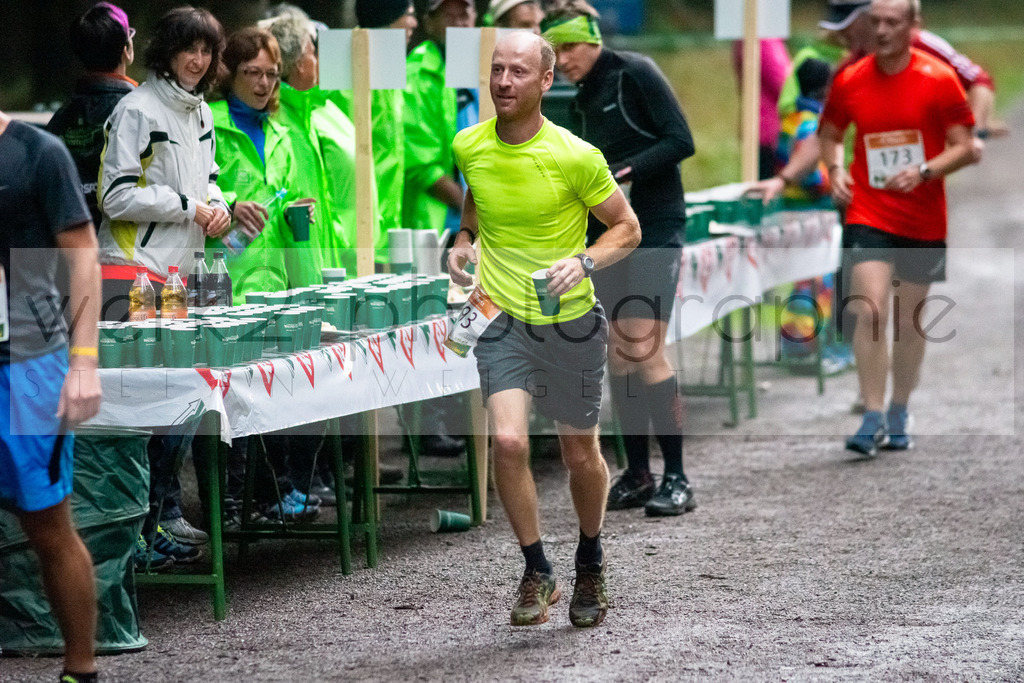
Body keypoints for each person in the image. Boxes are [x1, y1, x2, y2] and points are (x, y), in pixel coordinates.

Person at [449, 32, 641, 627]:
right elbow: (474, 213)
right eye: (497, 70)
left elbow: (626, 228)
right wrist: (460, 245)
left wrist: (583, 260)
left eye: (518, 72)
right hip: (502, 317)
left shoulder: (576, 156)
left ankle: (590, 558)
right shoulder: (469, 145)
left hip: (571, 322)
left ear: (545, 81)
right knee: (507, 442)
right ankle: (537, 568)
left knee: (579, 451)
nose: (504, 82)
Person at [542, 2, 698, 516]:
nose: (562, 61)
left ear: (592, 39)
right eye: (554, 51)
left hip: (654, 224)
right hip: (608, 234)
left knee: (643, 345)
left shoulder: (635, 72)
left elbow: (681, 140)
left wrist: (624, 172)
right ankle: (637, 473)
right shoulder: (579, 96)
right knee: (618, 350)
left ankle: (678, 477)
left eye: (568, 48)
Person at [98, 6, 229, 561]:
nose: (198, 61)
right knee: (141, 405)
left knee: (181, 396)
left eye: (206, 51)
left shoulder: (201, 113)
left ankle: (164, 515)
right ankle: (139, 527)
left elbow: (211, 179)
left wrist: (218, 206)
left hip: (184, 275)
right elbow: (114, 196)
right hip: (131, 272)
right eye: (188, 49)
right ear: (166, 52)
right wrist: (188, 208)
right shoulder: (136, 110)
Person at [818, 0, 975, 456]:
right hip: (869, 209)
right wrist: (835, 169)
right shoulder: (850, 79)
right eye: (876, 22)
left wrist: (925, 171)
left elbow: (966, 147)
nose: (882, 31)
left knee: (909, 323)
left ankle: (899, 408)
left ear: (913, 26)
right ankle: (870, 416)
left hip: (923, 215)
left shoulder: (938, 79)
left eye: (893, 23)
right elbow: (830, 133)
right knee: (868, 309)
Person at [0, 108, 104, 683]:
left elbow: (83, 256)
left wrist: (83, 361)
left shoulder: (39, 153)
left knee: (48, 528)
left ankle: (80, 670)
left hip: (26, 366)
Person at [46, 2, 137, 230]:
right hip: (126, 249)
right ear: (126, 50)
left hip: (69, 245)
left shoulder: (59, 119)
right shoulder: (140, 112)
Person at [733, 37, 792, 179]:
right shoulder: (763, 41)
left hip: (763, 126)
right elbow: (782, 83)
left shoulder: (758, 39)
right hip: (767, 128)